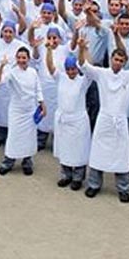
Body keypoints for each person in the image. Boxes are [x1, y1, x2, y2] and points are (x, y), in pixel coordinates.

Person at [79, 40, 129, 202]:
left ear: (125, 62)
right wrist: (82, 48)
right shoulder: (101, 73)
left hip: (120, 122)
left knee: (121, 156)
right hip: (104, 120)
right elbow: (84, 66)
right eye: (116, 59)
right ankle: (94, 184)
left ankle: (123, 188)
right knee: (98, 153)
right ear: (111, 59)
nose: (118, 62)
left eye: (121, 61)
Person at [0, 45, 44, 176]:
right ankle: (8, 162)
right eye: (19, 57)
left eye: (24, 58)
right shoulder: (11, 71)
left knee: (29, 138)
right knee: (14, 137)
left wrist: (42, 104)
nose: (22, 60)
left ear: (28, 58)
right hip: (16, 111)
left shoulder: (33, 72)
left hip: (30, 111)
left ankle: (27, 162)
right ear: (16, 58)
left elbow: (38, 89)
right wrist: (1, 66)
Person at [53, 54, 90, 189]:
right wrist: (50, 50)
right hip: (63, 121)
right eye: (68, 69)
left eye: (73, 69)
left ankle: (78, 178)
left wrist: (83, 50)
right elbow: (51, 67)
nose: (70, 72)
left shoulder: (83, 80)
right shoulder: (61, 78)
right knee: (65, 150)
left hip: (78, 121)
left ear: (77, 69)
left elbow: (88, 68)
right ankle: (66, 175)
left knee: (79, 150)